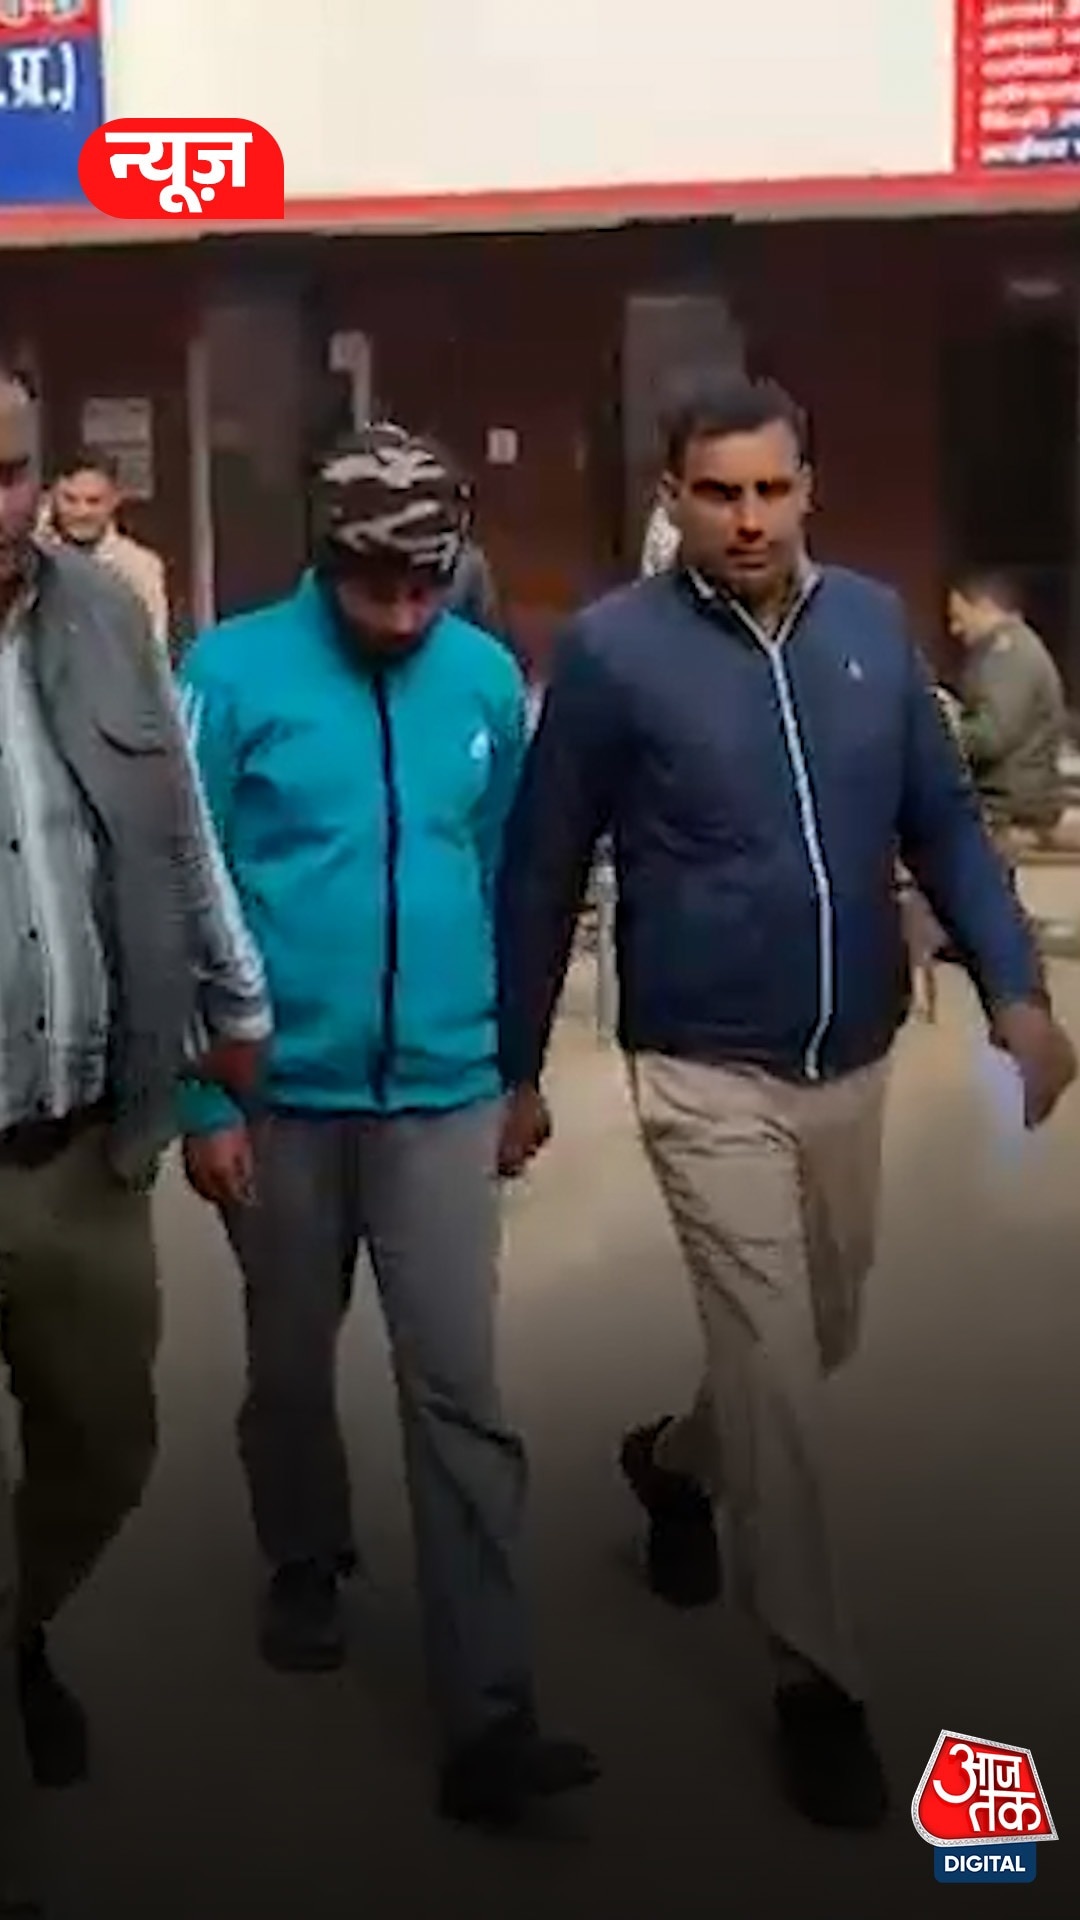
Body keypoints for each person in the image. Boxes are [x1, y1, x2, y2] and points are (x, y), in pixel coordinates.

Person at [496, 374, 1075, 1831]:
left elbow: (942, 826)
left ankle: (673, 1464)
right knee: (779, 1368)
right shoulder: (613, 655)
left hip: (854, 1053)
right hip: (702, 1065)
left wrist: (1017, 991)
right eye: (718, 493)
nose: (747, 518)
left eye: (770, 489)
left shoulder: (873, 628)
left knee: (813, 1338)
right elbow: (543, 869)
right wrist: (513, 1069)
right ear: (673, 498)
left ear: (809, 487)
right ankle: (820, 1682)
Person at [176, 423, 597, 1829]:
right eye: (380, 590)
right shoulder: (229, 675)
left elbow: (512, 879)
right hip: (279, 1100)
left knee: (460, 1394)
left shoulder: (481, 677)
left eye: (430, 585)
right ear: (325, 557)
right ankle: (304, 1555)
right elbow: (184, 889)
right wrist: (199, 1096)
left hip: (444, 1092)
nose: (408, 616)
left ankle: (492, 1709)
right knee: (291, 1367)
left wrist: (517, 1072)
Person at [0, 372, 269, 1897]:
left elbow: (179, 830)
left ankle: (18, 1623)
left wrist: (237, 997)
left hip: (85, 1144)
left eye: (8, 470)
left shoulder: (105, 615)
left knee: (106, 1450)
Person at [948, 570, 1067, 838]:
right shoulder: (1011, 650)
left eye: (959, 617)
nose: (955, 629)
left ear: (985, 607)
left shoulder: (1008, 655)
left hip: (1007, 810)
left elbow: (991, 736)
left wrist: (941, 735)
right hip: (1012, 803)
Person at [40, 448, 170, 664]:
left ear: (114, 500)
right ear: (52, 496)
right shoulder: (32, 555)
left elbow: (154, 650)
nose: (81, 512)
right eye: (70, 500)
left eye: (93, 501)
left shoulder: (138, 566)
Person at [445, 480, 501, 633]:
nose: (462, 515)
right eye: (455, 506)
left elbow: (487, 620)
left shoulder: (472, 560)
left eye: (467, 508)